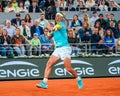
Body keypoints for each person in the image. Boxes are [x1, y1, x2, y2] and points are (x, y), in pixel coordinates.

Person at [36, 12, 84, 89]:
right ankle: (44, 82)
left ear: (61, 18)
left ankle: (78, 79)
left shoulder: (61, 24)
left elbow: (55, 28)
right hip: (58, 49)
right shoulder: (55, 27)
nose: (57, 17)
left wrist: (50, 28)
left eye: (59, 16)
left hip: (65, 48)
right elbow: (48, 37)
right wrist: (49, 31)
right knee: (49, 64)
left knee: (68, 68)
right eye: (56, 16)